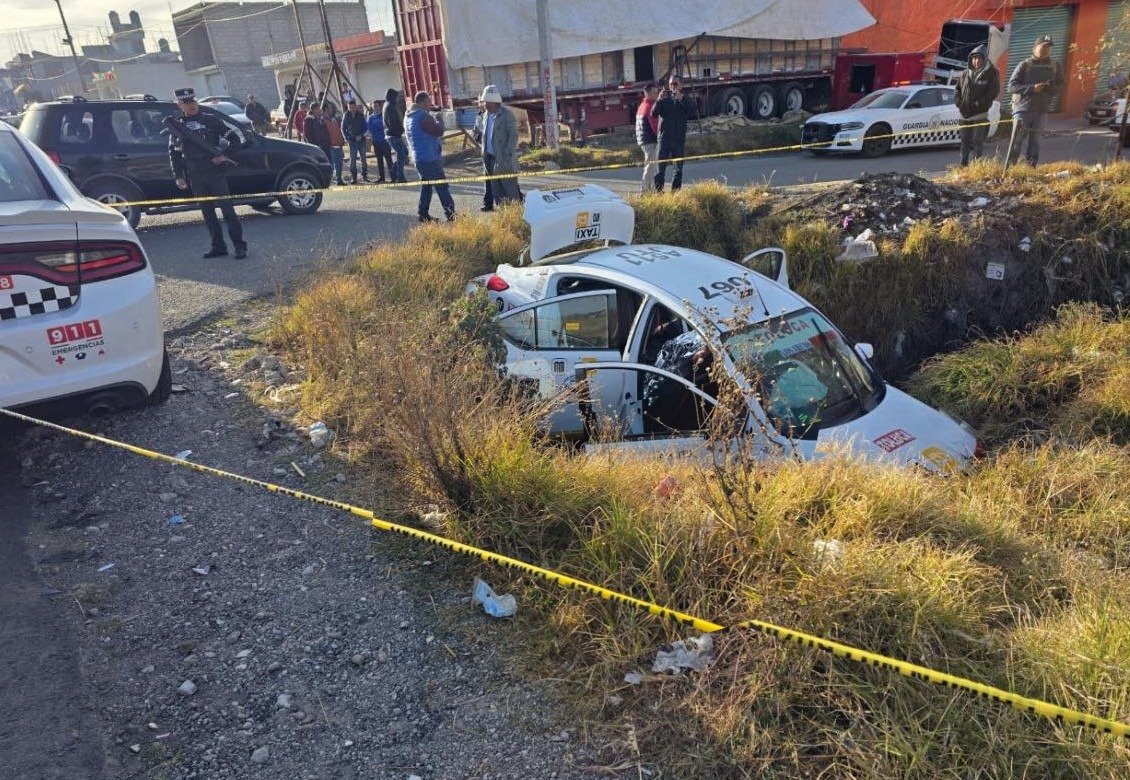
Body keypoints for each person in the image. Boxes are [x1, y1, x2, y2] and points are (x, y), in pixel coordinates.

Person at [167, 87, 247, 259]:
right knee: (208, 213)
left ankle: (239, 246)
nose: (191, 105)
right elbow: (174, 152)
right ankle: (218, 247)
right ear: (179, 105)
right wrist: (178, 176)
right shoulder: (177, 126)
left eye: (192, 101)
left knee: (228, 211)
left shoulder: (210, 120)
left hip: (214, 172)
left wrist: (224, 156)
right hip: (195, 174)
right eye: (186, 102)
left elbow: (235, 139)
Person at [1006, 35, 1064, 167]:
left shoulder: (1055, 66)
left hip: (1042, 110)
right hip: (1023, 110)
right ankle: (1009, 169)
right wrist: (1032, 88)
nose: (1046, 49)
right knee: (1016, 141)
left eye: (1048, 47)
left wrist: (1050, 88)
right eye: (1043, 46)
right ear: (1035, 48)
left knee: (1035, 143)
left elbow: (1060, 86)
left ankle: (1030, 169)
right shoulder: (1025, 65)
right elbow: (1011, 87)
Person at [405, 90, 455, 222]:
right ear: (422, 103)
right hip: (430, 158)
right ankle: (451, 214)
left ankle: (423, 214)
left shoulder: (408, 116)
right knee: (442, 186)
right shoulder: (423, 116)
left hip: (418, 158)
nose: (430, 104)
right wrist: (439, 118)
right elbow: (439, 131)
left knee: (426, 186)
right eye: (428, 101)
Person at [475, 85, 521, 209]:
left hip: (503, 159)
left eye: (486, 102)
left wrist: (506, 155)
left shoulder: (507, 115)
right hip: (489, 159)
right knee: (497, 192)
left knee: (510, 191)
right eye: (484, 102)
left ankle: (516, 214)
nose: (484, 105)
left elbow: (513, 136)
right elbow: (484, 135)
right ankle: (503, 213)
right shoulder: (486, 115)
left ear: (494, 102)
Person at [954, 45, 1000, 166]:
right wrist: (959, 103)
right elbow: (957, 90)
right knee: (964, 141)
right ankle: (963, 166)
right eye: (974, 58)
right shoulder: (965, 73)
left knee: (977, 141)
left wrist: (978, 103)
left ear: (984, 59)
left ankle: (976, 166)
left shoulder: (992, 73)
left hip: (980, 114)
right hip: (964, 113)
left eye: (979, 58)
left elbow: (993, 92)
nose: (976, 61)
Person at [651, 75, 696, 192]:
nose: (673, 86)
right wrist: (658, 100)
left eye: (675, 84)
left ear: (681, 85)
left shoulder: (685, 99)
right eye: (671, 84)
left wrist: (682, 100)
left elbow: (693, 112)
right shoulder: (664, 98)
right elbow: (653, 114)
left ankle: (675, 193)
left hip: (678, 140)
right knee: (660, 169)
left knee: (678, 170)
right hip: (664, 139)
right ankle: (659, 193)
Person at [636, 82, 660, 192]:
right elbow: (655, 126)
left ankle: (653, 190)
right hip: (650, 140)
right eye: (655, 93)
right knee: (650, 167)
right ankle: (645, 191)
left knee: (653, 167)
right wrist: (660, 137)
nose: (657, 95)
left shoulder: (642, 105)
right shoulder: (650, 106)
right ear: (648, 93)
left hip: (643, 139)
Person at [383, 88, 408, 183]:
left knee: (404, 153)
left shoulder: (390, 105)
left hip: (393, 134)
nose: (398, 98)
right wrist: (399, 131)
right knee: (401, 156)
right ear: (392, 97)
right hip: (393, 134)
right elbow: (393, 122)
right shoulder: (390, 106)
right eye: (396, 96)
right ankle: (400, 176)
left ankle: (393, 171)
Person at [341, 99, 369, 183]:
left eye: (353, 107)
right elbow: (343, 129)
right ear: (348, 107)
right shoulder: (346, 115)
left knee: (363, 159)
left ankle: (364, 176)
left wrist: (362, 135)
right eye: (350, 107)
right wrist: (347, 139)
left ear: (356, 107)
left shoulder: (360, 115)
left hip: (361, 140)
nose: (352, 109)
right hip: (352, 141)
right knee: (353, 160)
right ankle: (354, 178)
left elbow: (365, 127)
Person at [367, 100, 392, 183]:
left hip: (385, 141)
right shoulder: (370, 118)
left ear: (380, 106)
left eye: (377, 106)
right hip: (376, 142)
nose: (375, 108)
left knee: (389, 160)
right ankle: (382, 178)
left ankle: (393, 176)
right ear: (372, 107)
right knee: (379, 160)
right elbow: (369, 129)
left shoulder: (384, 116)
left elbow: (387, 126)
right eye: (374, 106)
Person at [324, 105, 346, 185]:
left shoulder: (333, 119)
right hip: (331, 146)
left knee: (339, 164)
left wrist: (341, 141)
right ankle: (329, 181)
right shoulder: (323, 121)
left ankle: (339, 180)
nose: (329, 110)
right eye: (328, 109)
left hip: (338, 145)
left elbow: (338, 131)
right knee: (331, 165)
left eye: (330, 109)